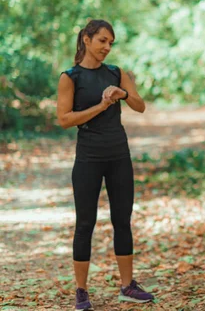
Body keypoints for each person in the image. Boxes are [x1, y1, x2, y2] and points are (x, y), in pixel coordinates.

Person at [56, 19, 154, 310]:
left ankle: (127, 286)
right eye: (102, 41)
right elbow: (64, 119)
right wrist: (101, 105)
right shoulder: (70, 77)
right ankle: (82, 292)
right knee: (85, 223)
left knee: (122, 221)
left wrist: (122, 93)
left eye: (111, 42)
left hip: (118, 156)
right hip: (88, 158)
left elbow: (140, 105)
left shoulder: (116, 73)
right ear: (86, 39)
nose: (107, 47)